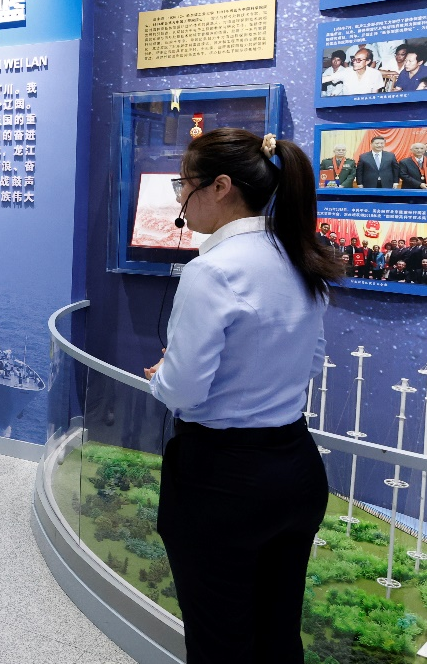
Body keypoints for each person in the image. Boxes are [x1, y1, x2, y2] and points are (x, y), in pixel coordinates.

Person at [143, 129, 342, 664]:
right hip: (296, 467)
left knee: (220, 644)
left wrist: (161, 375)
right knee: (279, 636)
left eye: (183, 184)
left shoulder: (211, 270)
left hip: (222, 480)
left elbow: (184, 389)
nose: (180, 198)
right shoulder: (300, 255)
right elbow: (312, 362)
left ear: (221, 186)